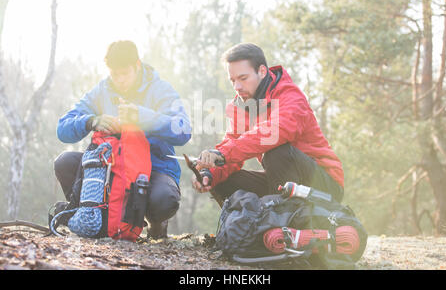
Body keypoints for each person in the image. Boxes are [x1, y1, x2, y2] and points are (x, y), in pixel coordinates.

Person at [54, 40, 191, 238]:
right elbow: (62, 129)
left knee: (164, 199)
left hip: (153, 169)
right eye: (114, 74)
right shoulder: (102, 90)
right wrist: (91, 121)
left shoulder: (160, 89)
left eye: (124, 74)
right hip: (109, 167)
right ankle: (94, 215)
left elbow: (184, 130)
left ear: (137, 65)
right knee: (64, 162)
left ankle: (156, 224)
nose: (119, 80)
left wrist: (142, 117)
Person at [191, 43, 344, 204]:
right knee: (223, 181)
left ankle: (284, 221)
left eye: (243, 78)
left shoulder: (291, 96)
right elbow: (232, 148)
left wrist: (222, 154)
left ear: (262, 71)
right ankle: (258, 224)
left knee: (276, 150)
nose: (237, 87)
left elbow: (275, 132)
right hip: (282, 183)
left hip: (324, 185)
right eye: (233, 80)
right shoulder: (240, 106)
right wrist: (209, 174)